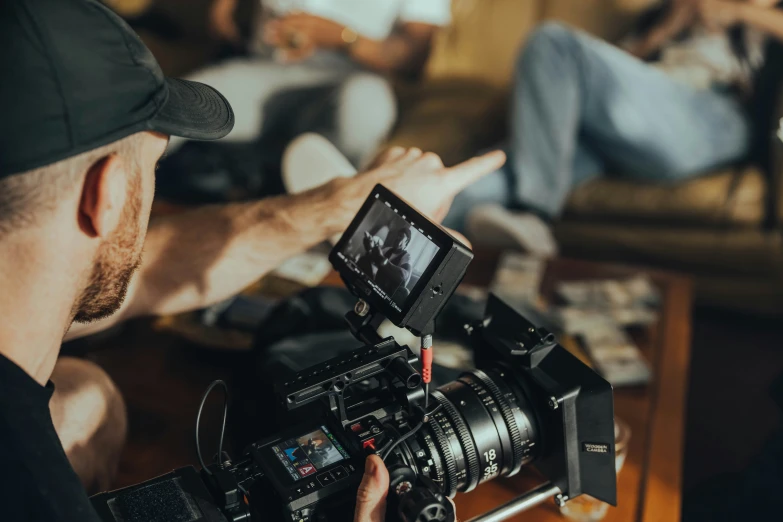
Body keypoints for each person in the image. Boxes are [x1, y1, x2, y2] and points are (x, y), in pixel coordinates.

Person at [0, 0, 505, 520]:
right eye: (150, 165)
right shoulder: (32, 492)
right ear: (103, 194)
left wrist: (343, 200)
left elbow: (156, 266)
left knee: (87, 397)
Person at [442, 0, 783, 257]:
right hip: (636, 117)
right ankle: (408, 280)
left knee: (552, 40)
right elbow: (605, 73)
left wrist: (740, 13)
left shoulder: (762, 22)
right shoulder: (668, 13)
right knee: (471, 181)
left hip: (711, 114)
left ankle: (535, 213)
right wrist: (668, 28)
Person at [165, 0, 450, 168]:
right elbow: (223, 24)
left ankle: (324, 208)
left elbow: (415, 56)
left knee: (364, 105)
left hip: (351, 78)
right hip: (263, 72)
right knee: (174, 105)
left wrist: (343, 39)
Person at [358, 226, 413, 297]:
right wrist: (369, 249)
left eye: (400, 236)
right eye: (397, 235)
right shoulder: (388, 249)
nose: (397, 238)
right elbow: (373, 261)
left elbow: (403, 277)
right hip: (375, 282)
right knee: (363, 259)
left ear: (407, 241)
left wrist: (381, 259)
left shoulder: (407, 256)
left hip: (386, 292)